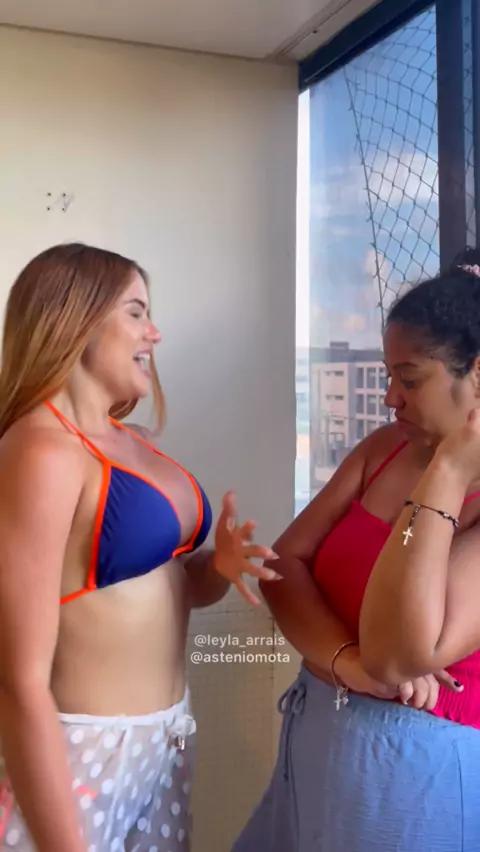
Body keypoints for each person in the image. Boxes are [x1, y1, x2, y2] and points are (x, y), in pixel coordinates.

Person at [0, 242, 279, 852]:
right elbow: (18, 678)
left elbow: (175, 587)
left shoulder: (134, 440)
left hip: (164, 741)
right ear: (73, 317)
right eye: (136, 311)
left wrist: (217, 567)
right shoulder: (42, 452)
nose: (154, 332)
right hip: (77, 756)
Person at [231, 246, 480, 852]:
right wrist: (346, 662)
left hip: (419, 770)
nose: (391, 398)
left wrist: (449, 470)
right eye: (389, 376)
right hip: (319, 727)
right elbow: (282, 565)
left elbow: (403, 653)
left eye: (410, 379)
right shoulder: (384, 449)